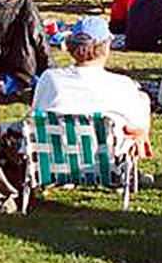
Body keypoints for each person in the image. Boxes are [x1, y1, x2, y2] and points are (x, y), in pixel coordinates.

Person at [32, 16, 155, 179]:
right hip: (105, 165)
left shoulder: (49, 79)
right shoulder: (122, 85)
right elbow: (136, 129)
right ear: (106, 48)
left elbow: (36, 115)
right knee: (142, 100)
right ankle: (131, 171)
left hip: (56, 162)